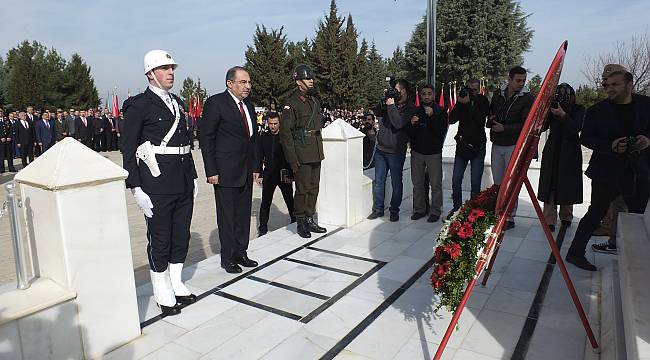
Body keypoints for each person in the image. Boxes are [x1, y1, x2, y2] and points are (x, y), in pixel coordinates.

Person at [121, 49, 199, 317]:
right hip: (156, 183)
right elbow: (128, 148)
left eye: (172, 68)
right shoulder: (139, 105)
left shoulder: (177, 102)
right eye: (164, 69)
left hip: (182, 179)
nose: (170, 73)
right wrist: (135, 187)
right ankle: (161, 288)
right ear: (150, 74)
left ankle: (176, 282)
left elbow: (185, 144)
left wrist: (194, 177)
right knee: (160, 237)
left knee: (181, 234)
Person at [565, 65, 650, 271]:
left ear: (629, 84)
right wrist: (610, 146)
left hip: (639, 172)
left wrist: (647, 140)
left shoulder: (647, 104)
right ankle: (575, 253)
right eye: (608, 85)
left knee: (638, 217)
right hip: (607, 171)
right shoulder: (597, 110)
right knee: (596, 212)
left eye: (615, 85)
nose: (610, 88)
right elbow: (586, 138)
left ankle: (637, 260)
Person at [200, 66, 260, 273]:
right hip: (224, 172)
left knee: (243, 215)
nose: (248, 86)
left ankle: (241, 252)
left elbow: (253, 139)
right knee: (227, 217)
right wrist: (211, 171)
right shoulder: (216, 103)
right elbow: (206, 138)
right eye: (243, 82)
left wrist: (255, 167)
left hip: (245, 171)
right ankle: (228, 258)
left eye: (249, 82)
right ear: (230, 83)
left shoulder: (249, 106)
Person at [279, 64, 327, 238]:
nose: (311, 80)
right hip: (301, 153)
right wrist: (292, 159)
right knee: (302, 188)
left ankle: (309, 218)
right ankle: (300, 221)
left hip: (315, 150)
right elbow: (286, 134)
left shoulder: (314, 100)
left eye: (311, 78)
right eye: (307, 78)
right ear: (298, 82)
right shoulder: (291, 103)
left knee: (314, 187)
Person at [487, 66, 534, 229]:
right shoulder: (498, 94)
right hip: (496, 143)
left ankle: (509, 217)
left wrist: (505, 128)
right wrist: (491, 120)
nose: (521, 83)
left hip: (513, 144)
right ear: (509, 79)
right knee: (498, 182)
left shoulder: (527, 98)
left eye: (523, 80)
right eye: (518, 80)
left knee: (511, 183)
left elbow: (527, 124)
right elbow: (492, 112)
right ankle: (498, 213)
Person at [367, 79, 416, 222]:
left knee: (396, 183)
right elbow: (376, 112)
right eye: (395, 89)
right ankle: (378, 209)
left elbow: (398, 123)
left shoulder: (410, 108)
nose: (396, 91)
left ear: (406, 91)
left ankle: (394, 210)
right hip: (381, 149)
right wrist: (384, 100)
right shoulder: (390, 103)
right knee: (379, 182)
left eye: (399, 89)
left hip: (396, 151)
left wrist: (392, 106)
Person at [537, 83, 584, 232]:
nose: (563, 98)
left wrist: (563, 115)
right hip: (553, 149)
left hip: (570, 151)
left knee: (567, 183)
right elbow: (541, 127)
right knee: (550, 182)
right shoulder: (552, 107)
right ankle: (549, 219)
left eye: (566, 95)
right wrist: (547, 111)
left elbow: (575, 128)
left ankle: (566, 216)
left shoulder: (579, 109)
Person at [448, 79, 490, 219]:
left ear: (479, 90)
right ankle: (456, 208)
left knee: (475, 182)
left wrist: (469, 104)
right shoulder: (462, 100)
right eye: (469, 89)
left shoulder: (482, 101)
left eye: (474, 89)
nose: (471, 92)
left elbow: (480, 120)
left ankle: (473, 211)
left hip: (478, 147)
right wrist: (460, 103)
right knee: (456, 180)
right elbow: (452, 119)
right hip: (462, 146)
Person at [409, 84, 448, 222]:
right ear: (420, 95)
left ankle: (435, 211)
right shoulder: (415, 110)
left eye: (429, 93)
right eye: (424, 93)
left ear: (434, 94)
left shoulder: (441, 111)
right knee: (417, 183)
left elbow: (441, 131)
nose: (426, 96)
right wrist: (413, 124)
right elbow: (410, 134)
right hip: (417, 152)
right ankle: (420, 209)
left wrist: (432, 117)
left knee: (436, 184)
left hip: (433, 153)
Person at [256, 112, 295, 236]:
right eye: (270, 123)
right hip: (269, 174)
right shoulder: (264, 136)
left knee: (289, 199)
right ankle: (263, 229)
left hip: (284, 173)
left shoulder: (285, 136)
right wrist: (259, 173)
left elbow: (292, 155)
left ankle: (295, 221)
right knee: (265, 202)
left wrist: (292, 174)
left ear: (280, 123)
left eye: (275, 123)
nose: (272, 126)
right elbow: (259, 155)